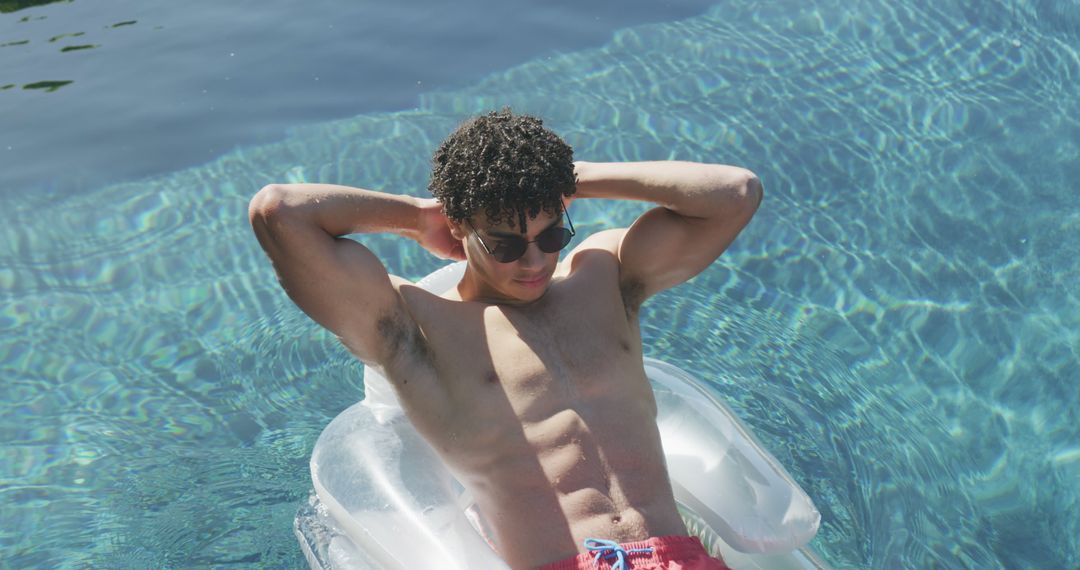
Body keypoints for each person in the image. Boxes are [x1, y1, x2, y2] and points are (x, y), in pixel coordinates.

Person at [249, 109, 762, 570]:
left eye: (552, 235)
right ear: (459, 226)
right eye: (505, 244)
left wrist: (565, 181)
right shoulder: (418, 328)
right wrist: (414, 217)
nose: (534, 262)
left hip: (682, 560)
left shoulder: (606, 276)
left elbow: (735, 193)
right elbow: (281, 213)